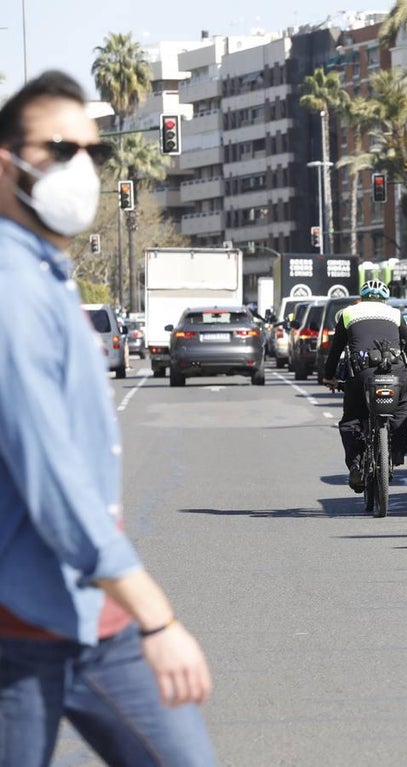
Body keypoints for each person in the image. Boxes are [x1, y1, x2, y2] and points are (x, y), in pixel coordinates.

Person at [0, 71, 215, 764]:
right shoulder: (9, 289)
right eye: (60, 149)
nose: (82, 168)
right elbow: (50, 473)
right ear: (7, 163)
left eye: (94, 152)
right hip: (18, 624)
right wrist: (155, 612)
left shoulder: (45, 276)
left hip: (88, 609)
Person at [324, 280, 407, 493]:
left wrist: (329, 377)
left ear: (362, 297)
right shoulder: (395, 314)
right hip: (395, 371)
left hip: (360, 374)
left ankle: (356, 464)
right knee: (401, 408)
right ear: (384, 299)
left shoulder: (348, 314)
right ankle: (395, 453)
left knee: (351, 420)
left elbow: (335, 350)